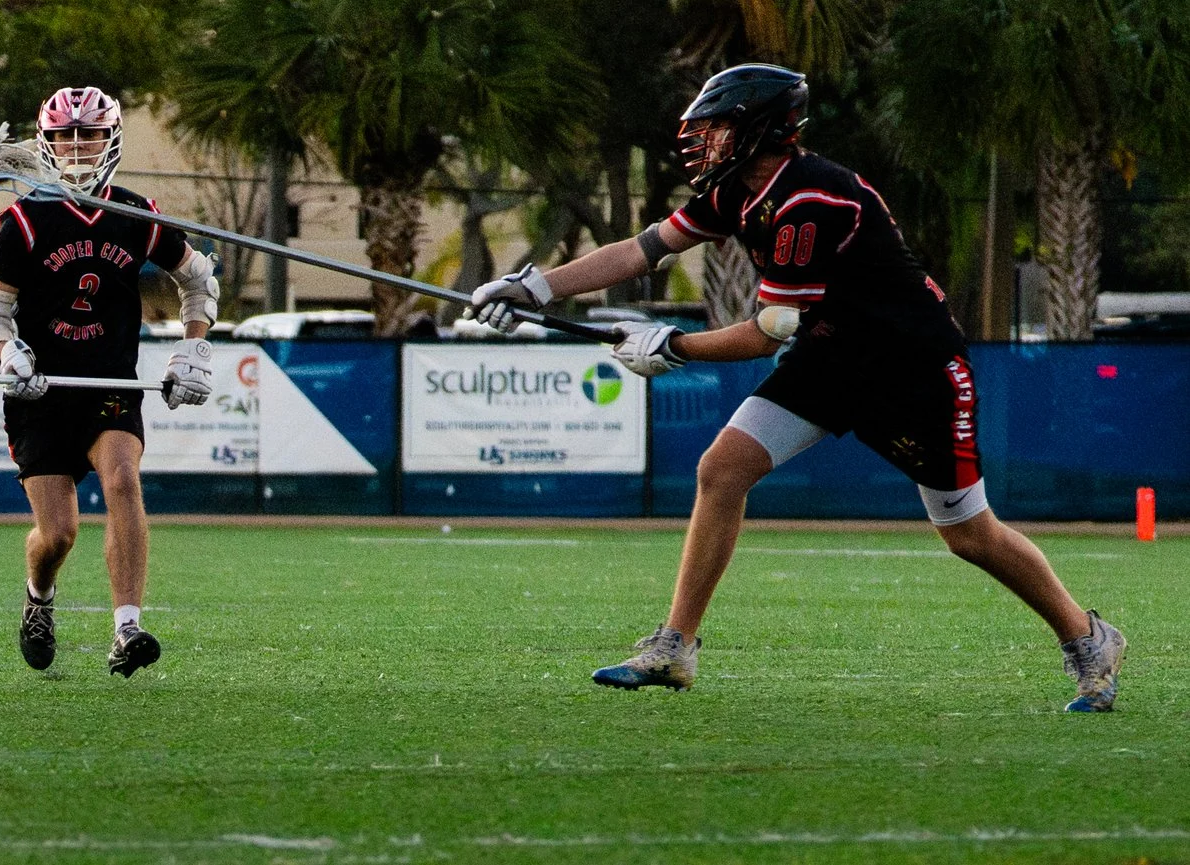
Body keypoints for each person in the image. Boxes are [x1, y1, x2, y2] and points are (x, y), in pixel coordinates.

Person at [467, 63, 1125, 712]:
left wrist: (672, 345)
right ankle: (676, 646)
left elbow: (766, 332)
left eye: (717, 126)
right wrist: (534, 288)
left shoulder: (810, 200)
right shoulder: (736, 189)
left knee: (969, 534)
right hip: (832, 356)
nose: (704, 139)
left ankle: (1088, 638)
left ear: (758, 129)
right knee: (722, 469)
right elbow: (643, 249)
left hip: (913, 371)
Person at [0, 88, 219, 677]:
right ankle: (38, 596)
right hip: (40, 393)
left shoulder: (138, 215)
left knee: (123, 480)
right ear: (47, 143)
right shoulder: (24, 221)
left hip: (109, 383)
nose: (78, 147)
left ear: (111, 139)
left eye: (89, 134)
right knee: (58, 534)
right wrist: (7, 352)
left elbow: (199, 280)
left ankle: (126, 628)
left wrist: (194, 345)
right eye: (66, 136)